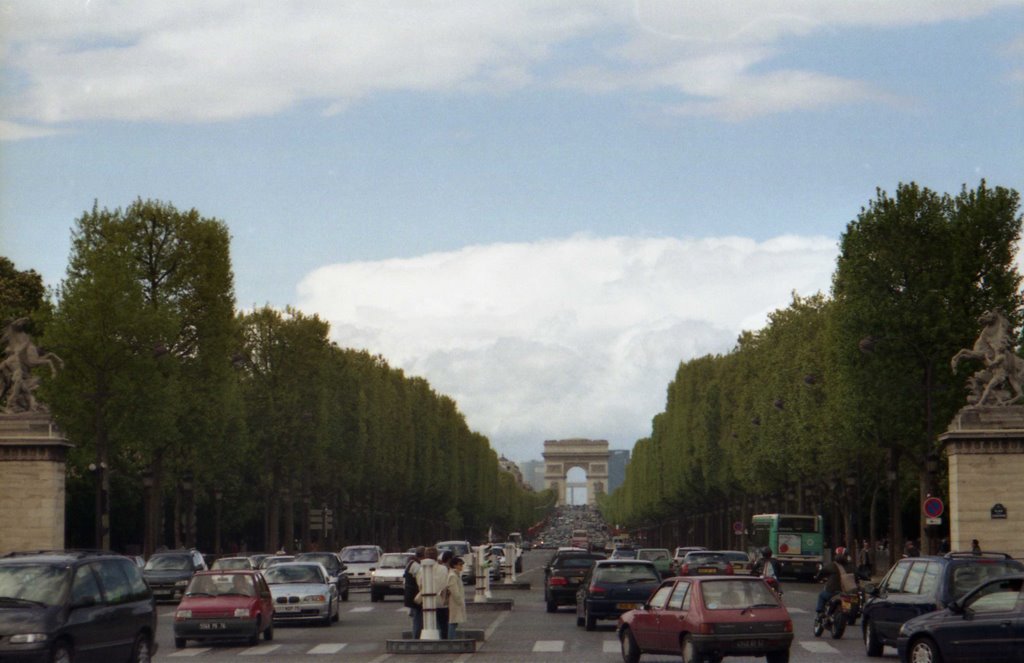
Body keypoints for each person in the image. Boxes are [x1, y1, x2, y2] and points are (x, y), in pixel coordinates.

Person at [416, 547, 450, 639]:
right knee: (443, 624)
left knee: (427, 622)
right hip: (441, 600)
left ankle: (425, 636)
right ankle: (444, 639)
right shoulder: (443, 569)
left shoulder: (421, 569)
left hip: (427, 601)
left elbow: (420, 583)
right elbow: (446, 583)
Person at [815, 547, 852, 615]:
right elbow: (858, 574)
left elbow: (821, 573)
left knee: (821, 595)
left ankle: (820, 614)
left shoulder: (831, 565)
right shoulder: (851, 566)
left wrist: (817, 578)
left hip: (832, 591)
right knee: (847, 607)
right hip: (847, 593)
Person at [404, 546, 425, 638]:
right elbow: (421, 580)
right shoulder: (416, 566)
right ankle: (416, 637)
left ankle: (416, 636)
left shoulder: (411, 563)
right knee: (418, 618)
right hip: (415, 594)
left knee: (417, 616)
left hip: (410, 594)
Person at [445, 557, 467, 640]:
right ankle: (451, 639)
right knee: (453, 621)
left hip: (456, 602)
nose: (461, 566)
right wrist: (459, 601)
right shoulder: (452, 576)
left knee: (455, 621)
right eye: (460, 565)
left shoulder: (456, 575)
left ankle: (452, 638)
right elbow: (454, 591)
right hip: (454, 602)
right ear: (454, 565)